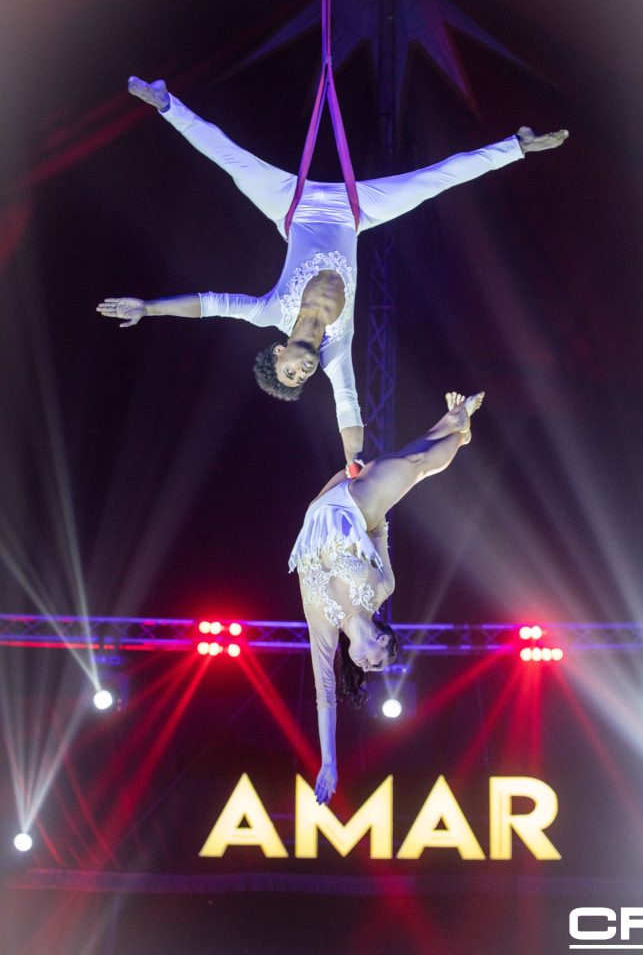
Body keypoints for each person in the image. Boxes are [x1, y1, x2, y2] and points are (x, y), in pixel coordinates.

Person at [97, 77, 567, 466]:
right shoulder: (336, 351)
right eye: (301, 378)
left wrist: (150, 307)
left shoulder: (270, 314)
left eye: (289, 371)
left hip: (292, 206)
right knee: (432, 182)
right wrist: (356, 463)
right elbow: (349, 409)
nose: (301, 372)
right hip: (352, 214)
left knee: (232, 161)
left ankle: (165, 102)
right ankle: (516, 145)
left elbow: (210, 305)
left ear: (278, 351)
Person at [289, 389, 484, 805]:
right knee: (414, 466)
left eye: (369, 668)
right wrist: (364, 486)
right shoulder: (382, 589)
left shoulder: (323, 625)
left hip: (319, 514)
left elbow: (326, 695)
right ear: (382, 638)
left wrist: (329, 762)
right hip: (360, 508)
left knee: (414, 465)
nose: (366, 665)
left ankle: (456, 426)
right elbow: (378, 535)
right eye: (378, 661)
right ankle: (457, 424)